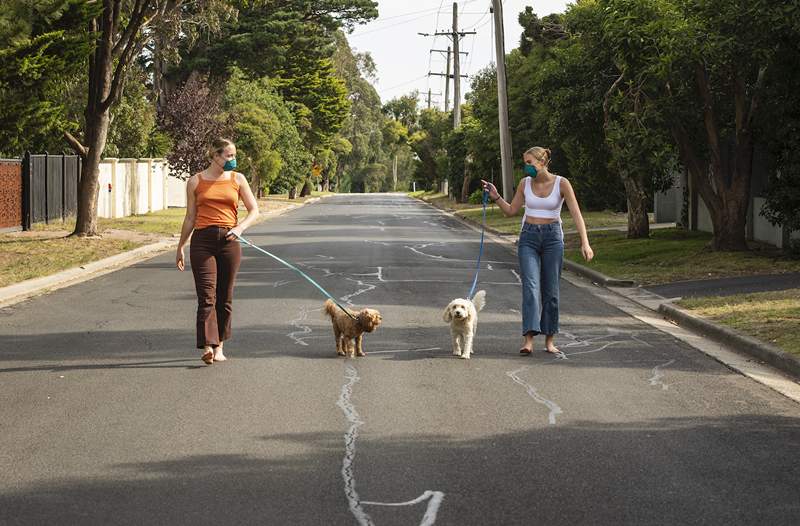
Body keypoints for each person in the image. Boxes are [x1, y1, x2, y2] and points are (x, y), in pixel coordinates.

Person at [481, 146, 594, 355]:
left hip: (553, 238)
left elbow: (576, 214)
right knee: (530, 288)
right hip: (528, 238)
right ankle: (529, 340)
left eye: (529, 163)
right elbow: (511, 211)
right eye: (525, 163)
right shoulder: (525, 184)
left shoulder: (562, 183)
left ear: (542, 163)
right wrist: (496, 196)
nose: (526, 167)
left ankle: (550, 340)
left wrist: (584, 242)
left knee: (551, 291)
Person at [176, 138, 259, 365]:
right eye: (229, 156)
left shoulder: (238, 179)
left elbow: (254, 210)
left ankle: (220, 345)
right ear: (214, 156)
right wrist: (180, 246)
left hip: (229, 242)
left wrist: (240, 228)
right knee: (206, 296)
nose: (233, 160)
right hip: (202, 241)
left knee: (225, 297)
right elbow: (190, 217)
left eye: (234, 155)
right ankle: (207, 346)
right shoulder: (195, 181)